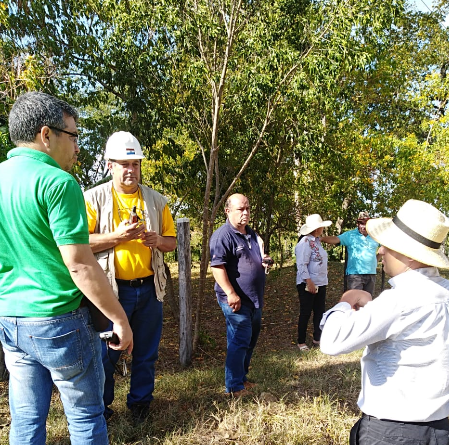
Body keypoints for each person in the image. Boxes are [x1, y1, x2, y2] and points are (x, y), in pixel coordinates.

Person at [0, 92, 133, 445]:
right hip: (60, 320)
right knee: (87, 418)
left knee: (26, 420)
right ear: (47, 134)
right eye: (73, 136)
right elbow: (79, 264)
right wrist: (119, 318)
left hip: (11, 318)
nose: (77, 147)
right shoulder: (58, 183)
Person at [320, 199, 449, 445]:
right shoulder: (445, 293)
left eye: (388, 246)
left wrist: (346, 301)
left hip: (391, 432)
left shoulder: (399, 299)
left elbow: (331, 342)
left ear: (410, 257)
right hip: (440, 429)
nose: (380, 251)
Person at [84, 131, 176, 423]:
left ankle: (140, 406)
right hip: (110, 291)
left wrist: (156, 240)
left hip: (149, 290)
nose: (130, 170)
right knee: (106, 356)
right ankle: (103, 410)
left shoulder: (157, 201)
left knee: (146, 354)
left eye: (134, 163)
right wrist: (116, 237)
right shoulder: (92, 198)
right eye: (123, 163)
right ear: (110, 165)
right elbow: (79, 243)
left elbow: (172, 242)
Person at [210, 193, 272, 397]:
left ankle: (241, 378)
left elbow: (255, 255)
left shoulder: (251, 234)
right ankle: (234, 387)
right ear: (227, 211)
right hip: (235, 299)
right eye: (240, 209)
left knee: (249, 340)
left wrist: (264, 260)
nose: (245, 213)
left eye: (247, 208)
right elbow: (217, 267)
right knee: (240, 339)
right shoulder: (223, 235)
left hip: (254, 298)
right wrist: (231, 293)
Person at [295, 214, 332, 351]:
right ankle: (301, 341)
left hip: (321, 282)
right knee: (306, 312)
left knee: (319, 311)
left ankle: (317, 338)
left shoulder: (316, 241)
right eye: (321, 226)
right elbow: (301, 264)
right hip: (307, 283)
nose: (323, 228)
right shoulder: (304, 242)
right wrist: (308, 281)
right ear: (316, 228)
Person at [321, 211, 380, 295]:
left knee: (367, 302)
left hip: (371, 274)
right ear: (357, 224)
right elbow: (336, 239)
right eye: (361, 223)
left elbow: (385, 247)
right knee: (354, 302)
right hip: (355, 275)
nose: (363, 226)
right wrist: (321, 239)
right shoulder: (350, 235)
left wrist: (376, 260)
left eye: (365, 223)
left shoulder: (375, 235)